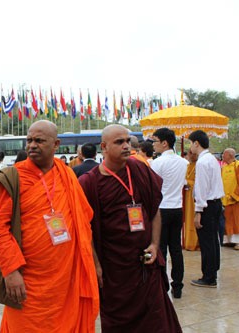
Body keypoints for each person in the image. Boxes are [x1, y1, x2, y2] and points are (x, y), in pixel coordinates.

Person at [0, 120, 99, 332]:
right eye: (29, 140)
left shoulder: (66, 174)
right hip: (28, 279)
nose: (32, 145)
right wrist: (10, 272)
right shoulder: (12, 178)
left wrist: (94, 263)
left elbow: (83, 222)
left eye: (39, 141)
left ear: (56, 144)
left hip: (66, 278)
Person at [79, 124, 182, 332]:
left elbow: (154, 211)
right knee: (120, 324)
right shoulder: (89, 183)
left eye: (127, 141)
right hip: (114, 269)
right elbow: (85, 230)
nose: (126, 146)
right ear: (104, 147)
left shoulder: (140, 169)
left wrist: (154, 244)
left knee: (156, 320)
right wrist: (95, 265)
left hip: (145, 263)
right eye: (119, 142)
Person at [150, 127, 188, 298]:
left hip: (161, 210)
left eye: (155, 141)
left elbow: (152, 188)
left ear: (164, 143)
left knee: (161, 249)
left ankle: (162, 286)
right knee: (176, 249)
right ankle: (178, 286)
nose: (153, 145)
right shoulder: (183, 162)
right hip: (177, 209)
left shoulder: (157, 163)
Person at [188, 130, 224, 288]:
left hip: (207, 205)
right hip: (216, 203)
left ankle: (209, 277)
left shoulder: (203, 162)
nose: (190, 147)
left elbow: (202, 188)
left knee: (207, 241)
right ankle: (213, 270)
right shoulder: (212, 159)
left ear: (196, 143)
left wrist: (198, 211)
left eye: (190, 143)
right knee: (213, 239)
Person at [221, 148, 239, 250]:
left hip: (236, 199)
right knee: (227, 221)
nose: (222, 156)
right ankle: (228, 240)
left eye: (224, 154)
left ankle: (238, 242)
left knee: (237, 220)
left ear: (230, 155)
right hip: (225, 199)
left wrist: (236, 196)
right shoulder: (224, 167)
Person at [184, 150, 200, 251]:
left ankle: (196, 243)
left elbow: (199, 181)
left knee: (193, 218)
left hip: (194, 195)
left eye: (190, 154)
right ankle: (188, 242)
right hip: (187, 195)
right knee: (187, 219)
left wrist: (187, 182)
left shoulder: (199, 166)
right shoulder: (188, 166)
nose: (188, 156)